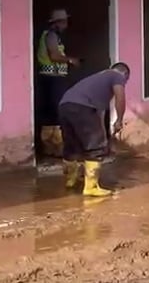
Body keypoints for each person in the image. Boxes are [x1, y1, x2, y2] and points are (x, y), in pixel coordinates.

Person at [57, 62, 129, 197]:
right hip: (82, 107)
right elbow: (120, 98)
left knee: (72, 144)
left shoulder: (96, 79)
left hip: (64, 105)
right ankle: (91, 187)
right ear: (124, 75)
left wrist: (101, 131)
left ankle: (70, 180)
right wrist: (119, 120)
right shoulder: (117, 75)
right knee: (95, 147)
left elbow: (98, 114)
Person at [36, 9, 79, 157]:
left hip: (51, 78)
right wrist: (70, 60)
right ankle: (57, 149)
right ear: (58, 23)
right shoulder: (51, 36)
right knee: (57, 112)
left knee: (50, 115)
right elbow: (54, 55)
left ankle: (50, 149)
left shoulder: (52, 36)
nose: (66, 25)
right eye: (64, 22)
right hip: (52, 78)